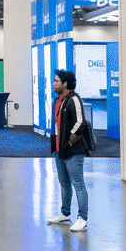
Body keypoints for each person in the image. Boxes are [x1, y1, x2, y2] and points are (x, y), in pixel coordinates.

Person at [48, 69, 91, 232]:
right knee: (64, 184)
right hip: (59, 150)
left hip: (73, 151)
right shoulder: (57, 100)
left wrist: (70, 141)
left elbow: (81, 122)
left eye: (57, 81)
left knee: (78, 184)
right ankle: (65, 213)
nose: (54, 83)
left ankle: (83, 218)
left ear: (65, 83)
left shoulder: (74, 98)